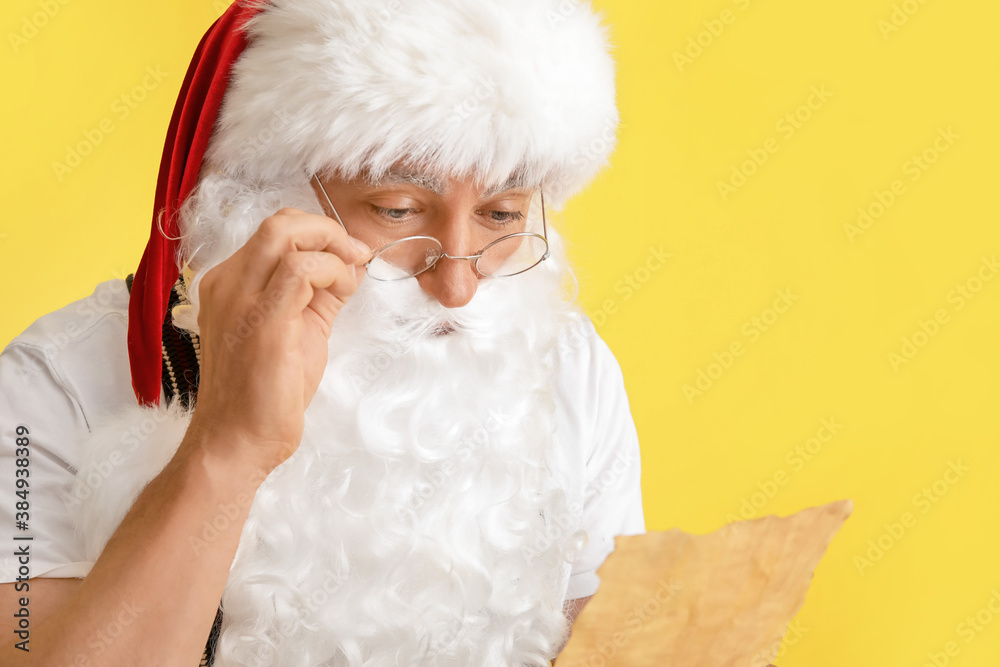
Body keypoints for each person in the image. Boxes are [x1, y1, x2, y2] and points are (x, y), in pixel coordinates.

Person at [0, 0, 645, 664]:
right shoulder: (51, 386)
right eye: (395, 209)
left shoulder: (566, 365)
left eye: (502, 214)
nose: (458, 286)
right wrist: (229, 442)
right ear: (265, 196)